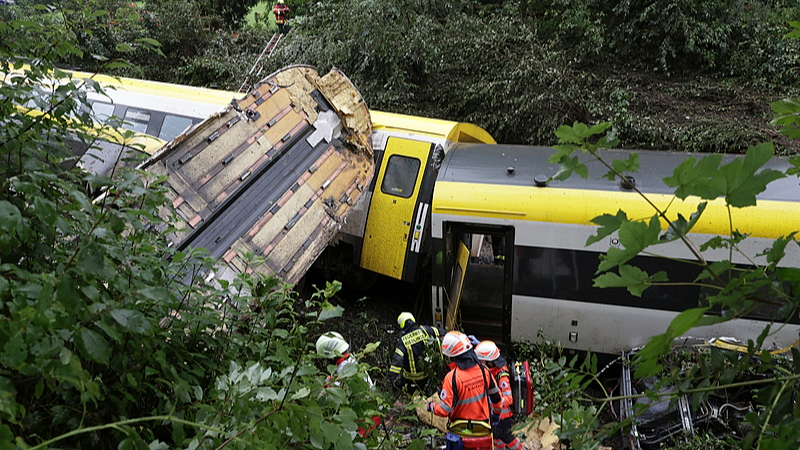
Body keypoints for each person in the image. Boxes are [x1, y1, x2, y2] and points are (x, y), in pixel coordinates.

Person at [426, 331, 502, 438]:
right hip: (483, 430)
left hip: (460, 432)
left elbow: (444, 410)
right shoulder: (484, 371)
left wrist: (431, 406)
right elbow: (497, 398)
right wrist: (496, 414)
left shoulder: (451, 378)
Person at [475, 340, 527, 450]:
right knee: (497, 438)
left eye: (481, 361)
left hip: (502, 416)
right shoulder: (494, 368)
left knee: (506, 437)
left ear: (489, 361)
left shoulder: (501, 375)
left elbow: (508, 398)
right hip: (496, 415)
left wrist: (493, 400)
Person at [388, 312, 444, 392]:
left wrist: (391, 378)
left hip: (411, 378)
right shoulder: (425, 330)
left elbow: (397, 361)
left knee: (408, 392)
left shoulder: (402, 341)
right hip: (427, 374)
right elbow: (442, 332)